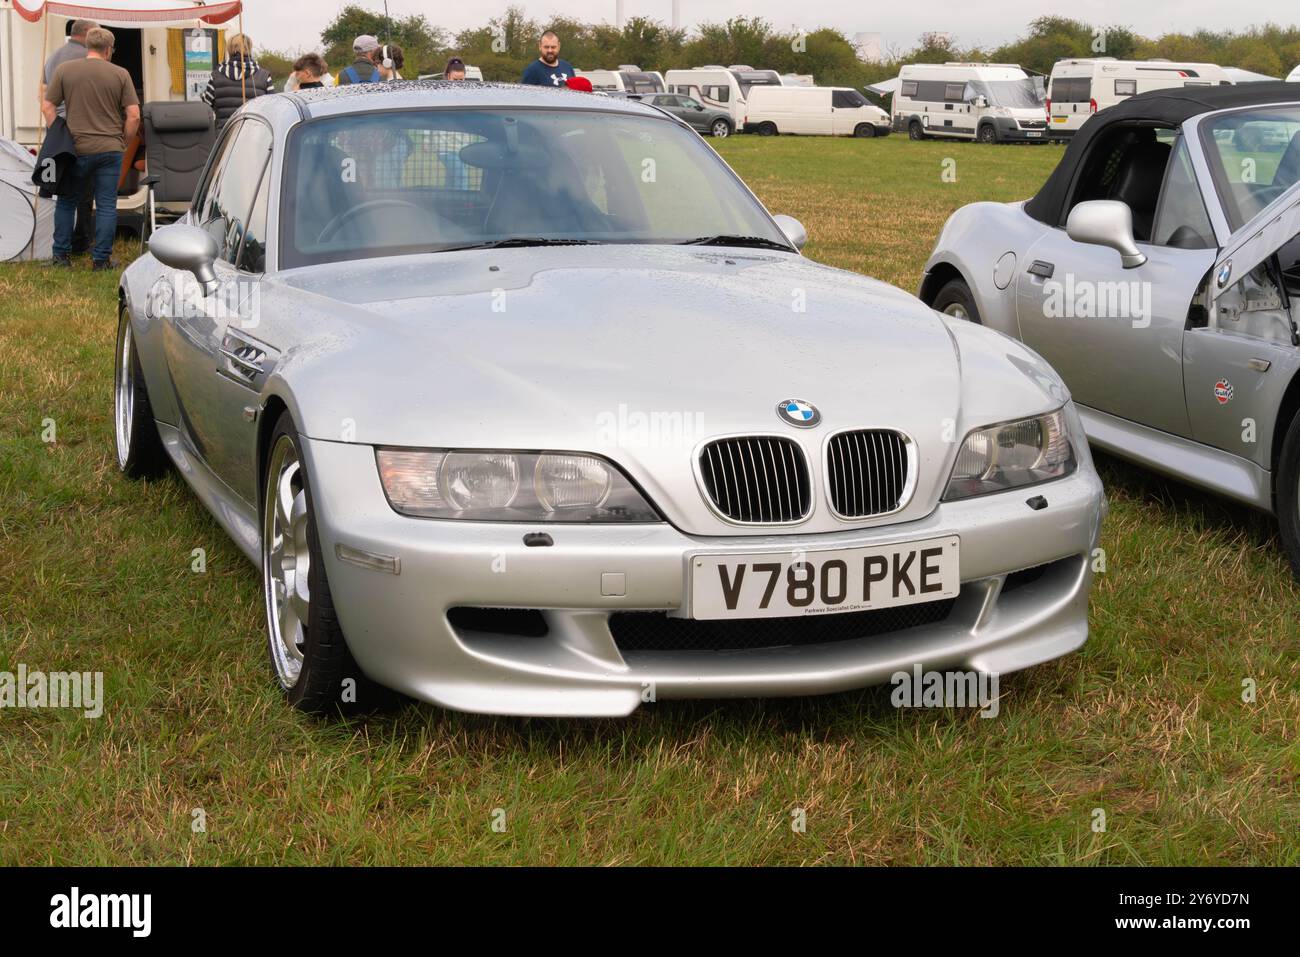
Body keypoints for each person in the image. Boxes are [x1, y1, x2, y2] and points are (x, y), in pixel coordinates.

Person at [41, 27, 139, 270]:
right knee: (106, 204)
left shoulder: (65, 70)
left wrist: (60, 135)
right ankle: (101, 260)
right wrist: (123, 141)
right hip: (110, 149)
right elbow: (134, 116)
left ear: (88, 47)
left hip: (75, 148)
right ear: (108, 50)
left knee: (66, 202)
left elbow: (47, 107)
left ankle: (61, 257)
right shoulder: (121, 74)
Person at [41, 18, 96, 253]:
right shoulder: (87, 58)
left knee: (63, 191)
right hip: (83, 130)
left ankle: (60, 247)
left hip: (59, 129)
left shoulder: (53, 56)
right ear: (87, 33)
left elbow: (44, 96)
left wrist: (57, 130)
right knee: (84, 191)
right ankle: (81, 241)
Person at [200, 33, 274, 133]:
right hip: (256, 136)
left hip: (225, 136)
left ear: (230, 49)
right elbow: (272, 107)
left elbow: (206, 105)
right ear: (249, 48)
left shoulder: (216, 75)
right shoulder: (264, 76)